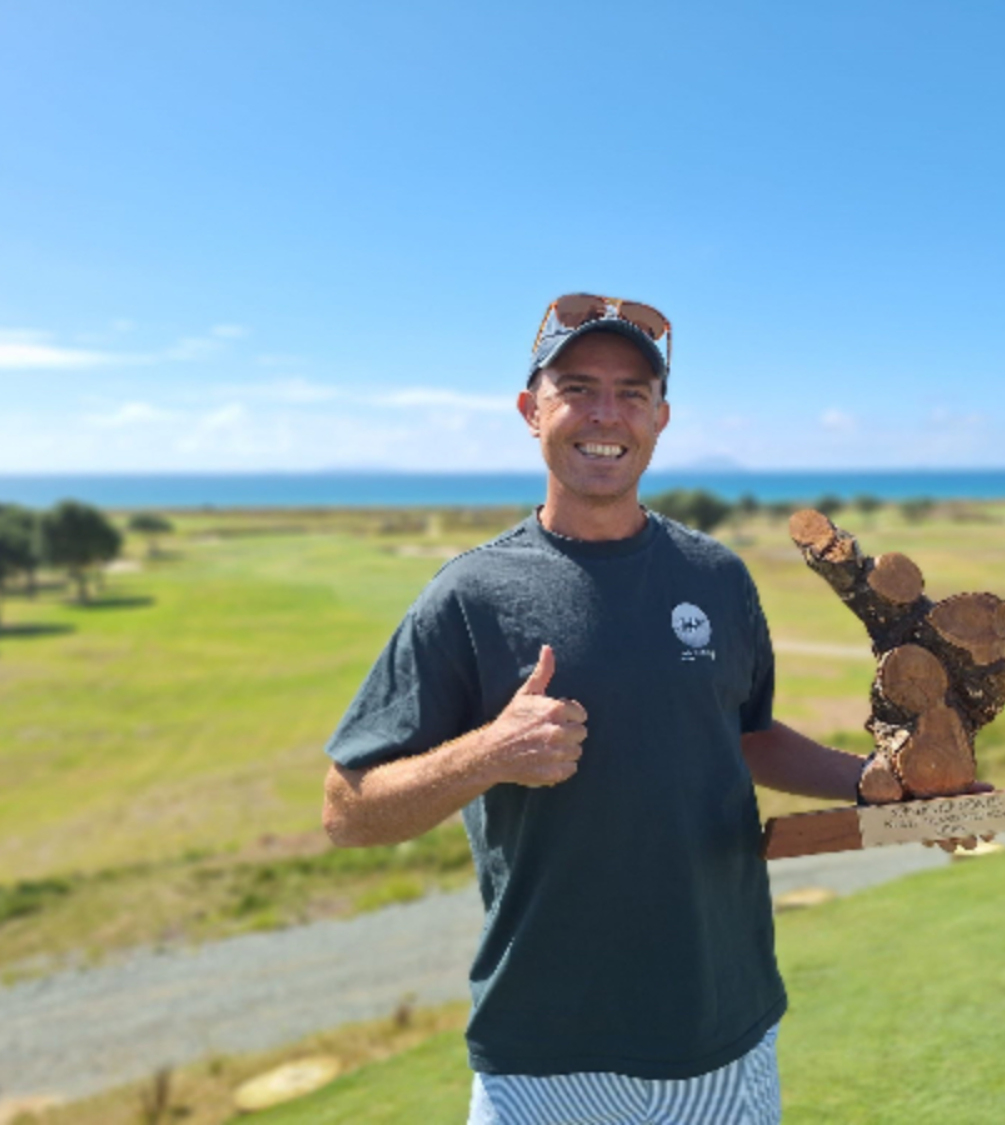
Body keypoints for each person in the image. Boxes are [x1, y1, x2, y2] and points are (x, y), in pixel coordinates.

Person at [321, 293, 870, 1124]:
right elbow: (346, 810)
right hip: (543, 1051)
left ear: (661, 417)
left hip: (720, 1032)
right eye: (577, 387)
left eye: (632, 392)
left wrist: (872, 782)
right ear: (529, 409)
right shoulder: (470, 593)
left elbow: (747, 735)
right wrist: (489, 754)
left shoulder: (716, 577)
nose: (605, 414)